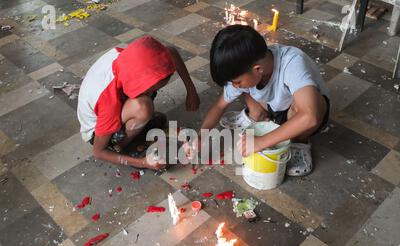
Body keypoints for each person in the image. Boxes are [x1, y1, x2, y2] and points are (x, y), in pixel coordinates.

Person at [194, 25, 330, 176]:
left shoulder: (292, 62)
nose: (234, 85)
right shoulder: (249, 65)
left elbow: (310, 116)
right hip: (275, 106)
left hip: (300, 113)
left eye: (236, 81)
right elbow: (219, 106)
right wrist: (201, 136)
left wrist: (261, 142)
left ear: (258, 69)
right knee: (244, 87)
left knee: (306, 106)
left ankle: (300, 142)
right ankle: (257, 114)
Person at [77, 35, 200, 170]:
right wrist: (143, 163)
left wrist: (191, 91)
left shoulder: (130, 60)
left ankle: (137, 124)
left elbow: (171, 52)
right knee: (143, 107)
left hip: (110, 109)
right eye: (150, 90)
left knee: (145, 104)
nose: (152, 94)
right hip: (97, 133)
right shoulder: (108, 102)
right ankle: (120, 144)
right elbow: (98, 152)